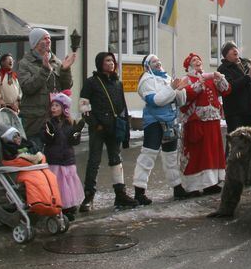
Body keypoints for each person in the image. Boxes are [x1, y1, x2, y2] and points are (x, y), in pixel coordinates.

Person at [134, 54, 196, 204]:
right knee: (148, 155)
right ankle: (139, 190)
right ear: (147, 65)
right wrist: (172, 89)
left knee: (171, 156)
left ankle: (177, 187)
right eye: (154, 61)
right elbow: (157, 100)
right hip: (154, 122)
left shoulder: (168, 78)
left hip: (170, 121)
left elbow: (180, 101)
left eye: (158, 60)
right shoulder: (146, 80)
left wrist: (181, 90)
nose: (158, 63)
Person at [78, 52, 137, 210]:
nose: (111, 63)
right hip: (98, 128)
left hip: (115, 127)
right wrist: (95, 124)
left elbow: (123, 106)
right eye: (107, 61)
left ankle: (120, 194)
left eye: (112, 60)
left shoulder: (118, 83)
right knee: (94, 161)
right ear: (100, 63)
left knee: (116, 160)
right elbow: (84, 105)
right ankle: (88, 197)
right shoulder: (91, 82)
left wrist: (125, 128)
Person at [177, 53, 229, 195]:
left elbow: (226, 90)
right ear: (189, 65)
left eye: (199, 59)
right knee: (197, 154)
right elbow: (184, 97)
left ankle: (210, 183)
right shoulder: (187, 79)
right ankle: (193, 186)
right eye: (194, 60)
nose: (197, 61)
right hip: (196, 122)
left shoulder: (209, 77)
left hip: (212, 121)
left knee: (212, 153)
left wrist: (219, 78)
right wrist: (199, 83)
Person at [18, 28, 75, 140]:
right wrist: (44, 70)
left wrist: (65, 70)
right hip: (35, 121)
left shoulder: (56, 61)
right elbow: (27, 88)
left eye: (49, 38)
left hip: (55, 118)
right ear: (35, 43)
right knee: (37, 153)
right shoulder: (25, 63)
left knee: (55, 154)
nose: (49, 41)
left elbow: (66, 87)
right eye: (44, 38)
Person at [42, 93, 84, 220]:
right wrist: (49, 134)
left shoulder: (69, 124)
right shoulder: (49, 123)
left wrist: (77, 132)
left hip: (67, 159)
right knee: (57, 184)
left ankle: (69, 206)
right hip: (54, 159)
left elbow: (73, 142)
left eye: (57, 106)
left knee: (68, 185)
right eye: (52, 105)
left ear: (64, 108)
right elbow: (47, 140)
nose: (53, 108)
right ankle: (58, 206)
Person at [216, 42, 251, 133]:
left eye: (235, 48)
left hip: (250, 109)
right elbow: (230, 87)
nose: (235, 50)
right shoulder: (223, 69)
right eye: (231, 49)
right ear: (225, 55)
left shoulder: (246, 64)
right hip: (235, 113)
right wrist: (248, 76)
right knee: (236, 141)